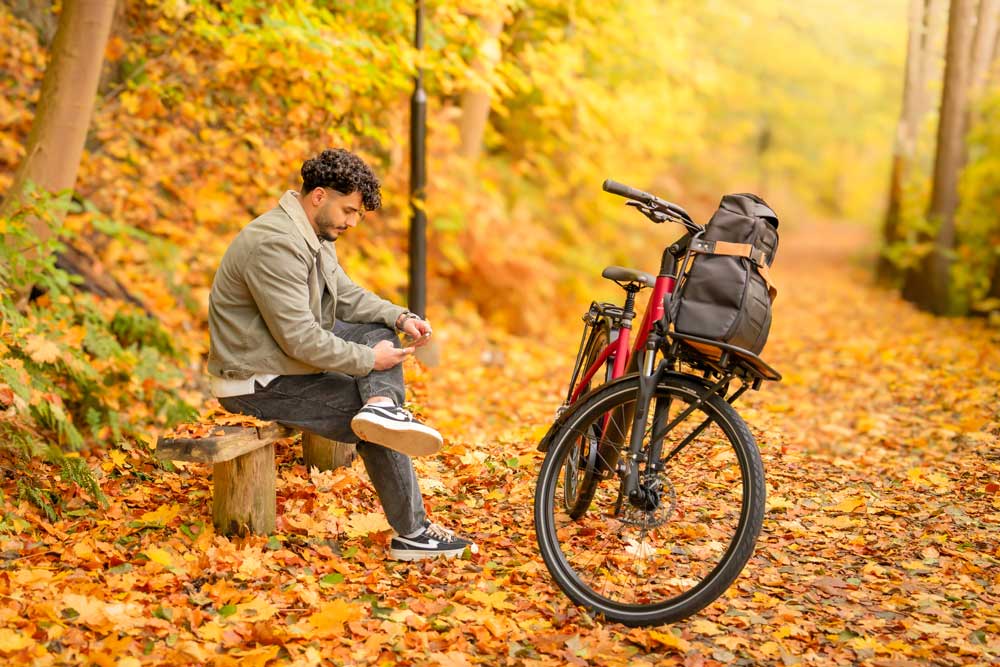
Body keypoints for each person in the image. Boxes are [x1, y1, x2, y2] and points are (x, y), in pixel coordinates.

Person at [206, 148, 476, 560]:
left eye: (358, 215)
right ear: (319, 195)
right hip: (255, 378)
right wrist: (370, 361)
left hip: (283, 363)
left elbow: (345, 297)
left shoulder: (313, 233)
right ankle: (413, 533)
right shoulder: (275, 244)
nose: (351, 222)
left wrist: (400, 317)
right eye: (349, 210)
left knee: (378, 342)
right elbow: (299, 337)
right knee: (374, 422)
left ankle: (383, 404)